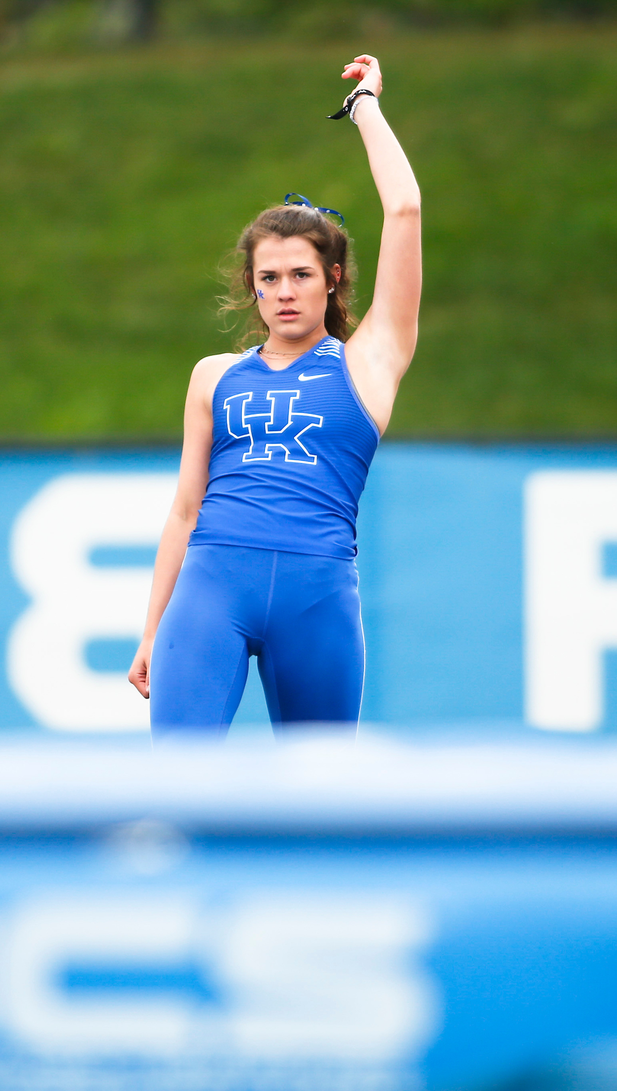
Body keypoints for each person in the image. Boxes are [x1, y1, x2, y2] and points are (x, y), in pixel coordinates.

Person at [128, 54, 421, 734]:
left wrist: (365, 108)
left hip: (316, 599)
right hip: (208, 593)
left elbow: (403, 209)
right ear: (252, 286)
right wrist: (150, 630)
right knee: (177, 788)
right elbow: (184, 509)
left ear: (332, 279)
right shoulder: (213, 376)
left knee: (320, 806)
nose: (283, 292)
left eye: (299, 274)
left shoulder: (369, 362)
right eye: (268, 278)